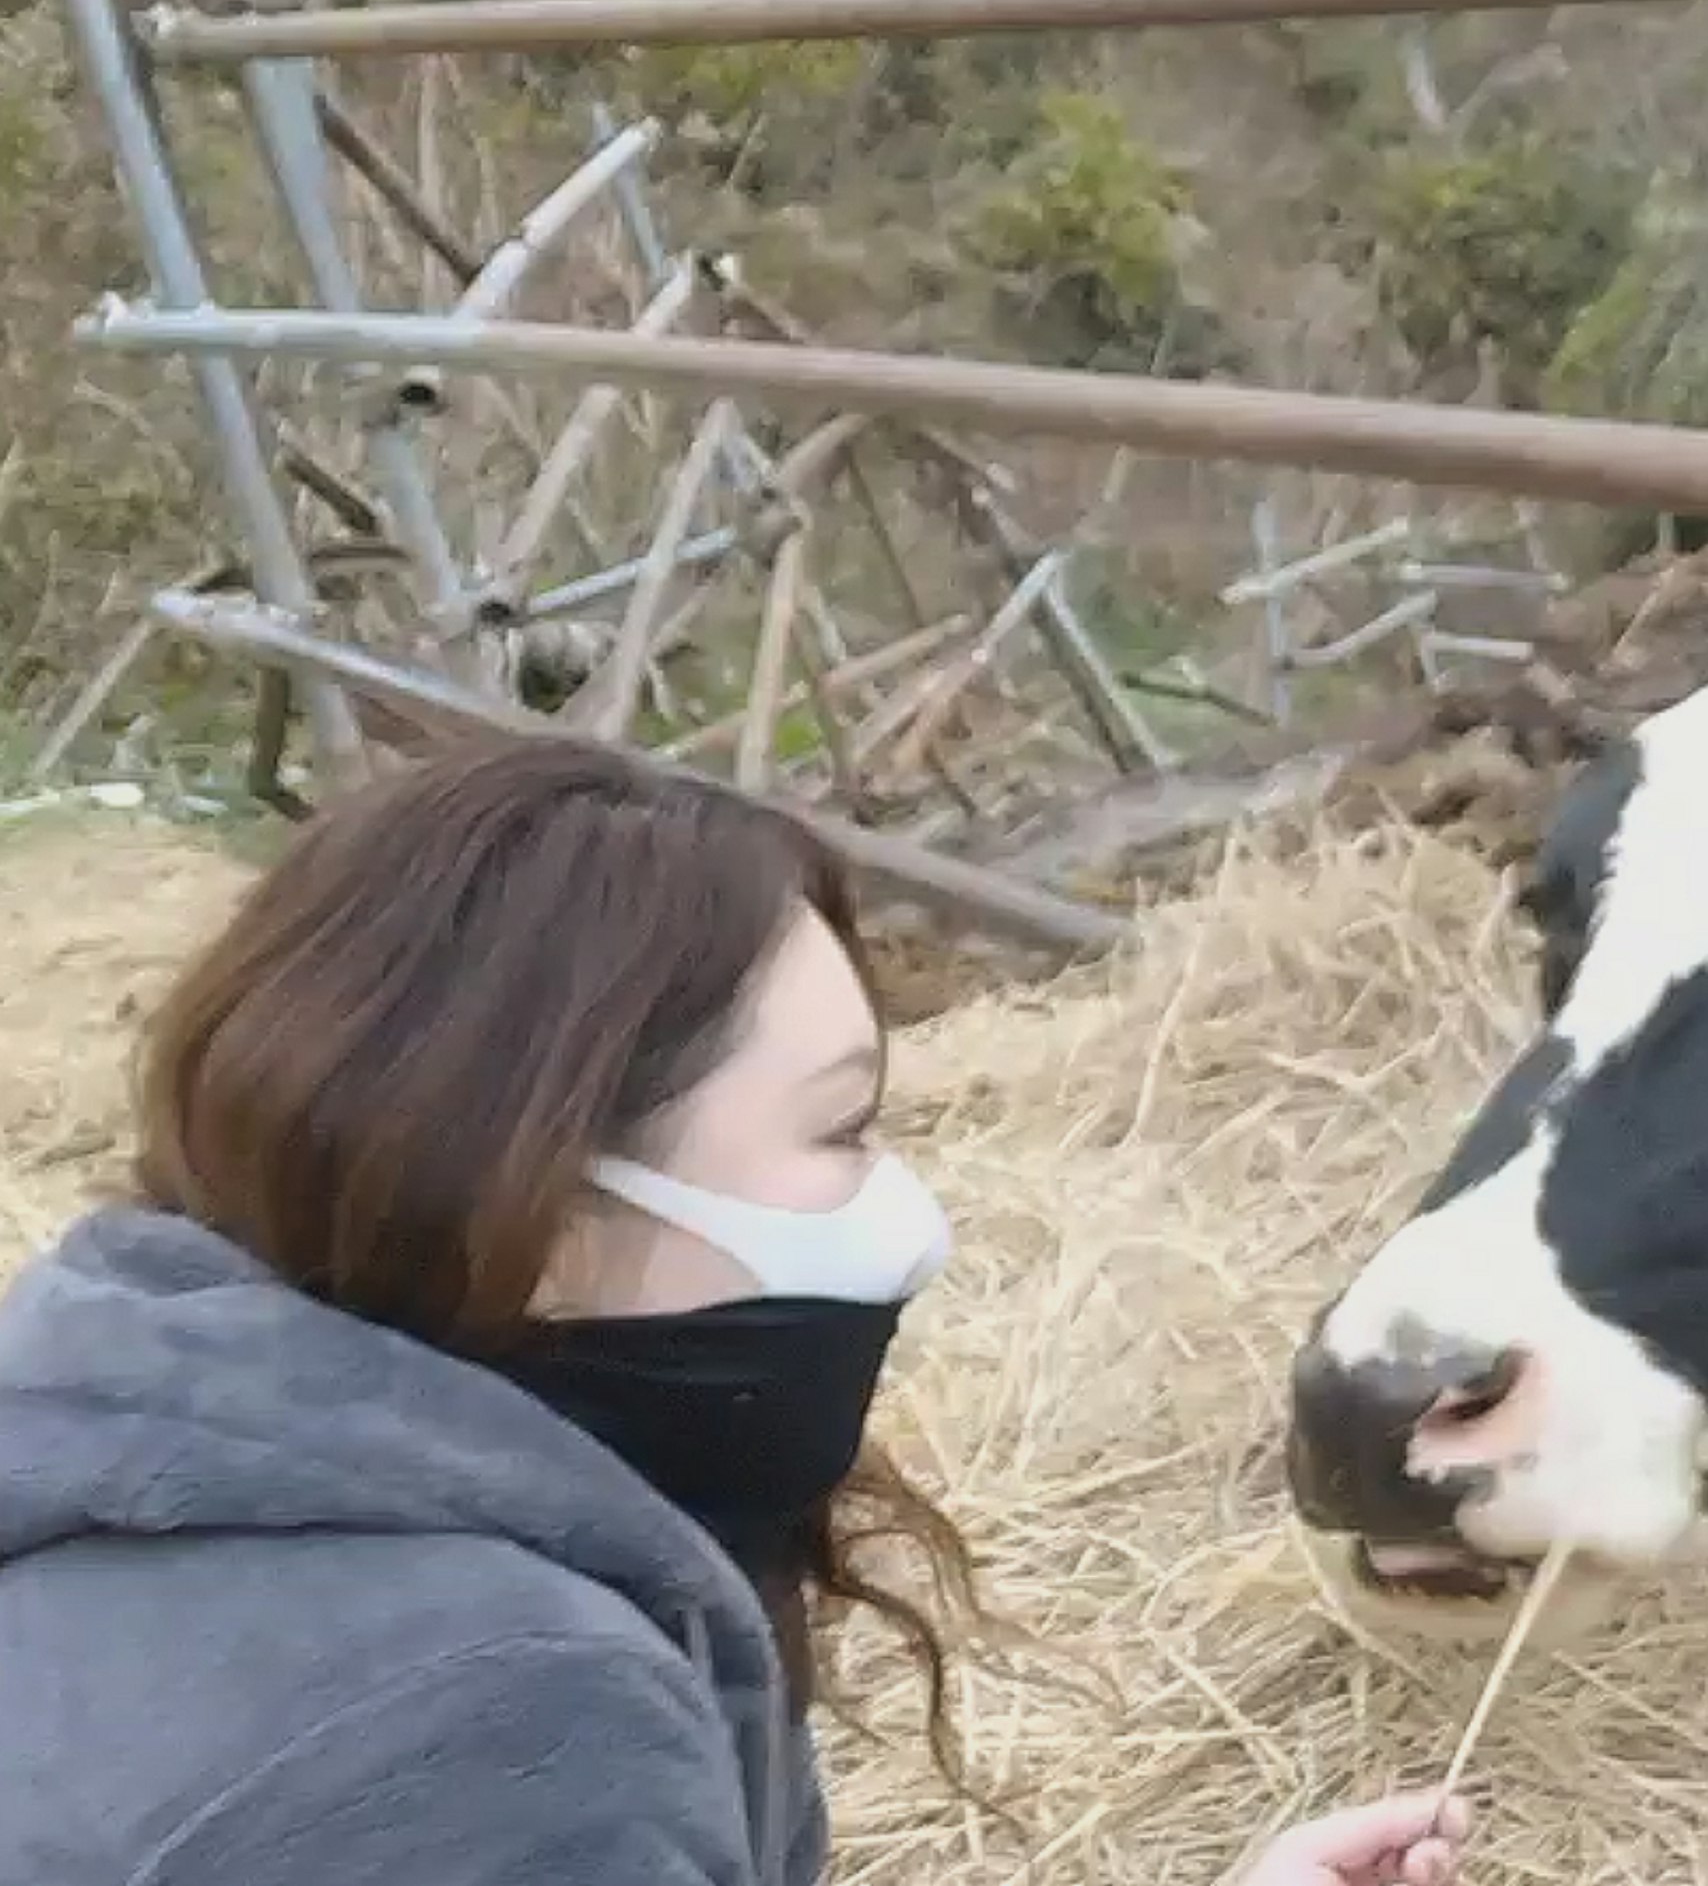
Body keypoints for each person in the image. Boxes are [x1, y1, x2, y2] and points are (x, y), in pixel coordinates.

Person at [0, 737, 1473, 1886]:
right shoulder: (495, 1717)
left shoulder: (141, 1449)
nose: (915, 1227)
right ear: (552, 1212)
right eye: (842, 1132)